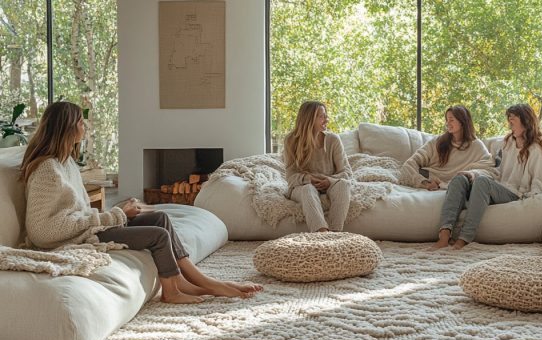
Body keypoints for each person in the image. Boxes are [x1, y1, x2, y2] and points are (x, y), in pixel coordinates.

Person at [21, 101, 262, 304]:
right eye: (81, 123)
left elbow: (78, 212)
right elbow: (42, 232)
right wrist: (113, 216)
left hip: (88, 229)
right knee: (157, 235)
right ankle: (173, 290)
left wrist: (120, 212)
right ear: (66, 128)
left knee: (160, 217)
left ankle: (195, 281)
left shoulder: (67, 163)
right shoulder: (47, 170)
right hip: (76, 239)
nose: (85, 127)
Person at [433, 104, 542, 250]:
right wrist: (472, 174)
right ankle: (445, 234)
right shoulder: (507, 143)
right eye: (508, 118)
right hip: (499, 186)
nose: (509, 121)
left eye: (513, 118)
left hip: (515, 193)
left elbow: (540, 182)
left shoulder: (536, 150)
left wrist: (529, 199)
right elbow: (495, 169)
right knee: (460, 179)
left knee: (482, 182)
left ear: (525, 121)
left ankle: (464, 237)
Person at [283, 101, 352, 232]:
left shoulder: (333, 140)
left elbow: (346, 172)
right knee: (308, 189)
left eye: (326, 116)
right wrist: (308, 179)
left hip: (329, 184)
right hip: (302, 187)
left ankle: (336, 233)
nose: (327, 119)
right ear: (309, 119)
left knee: (344, 185)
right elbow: (290, 177)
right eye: (322, 116)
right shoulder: (291, 141)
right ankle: (321, 233)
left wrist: (329, 181)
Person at [400, 105, 495, 191]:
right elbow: (411, 162)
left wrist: (471, 174)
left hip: (457, 183)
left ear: (462, 122)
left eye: (451, 120)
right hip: (429, 177)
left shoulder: (476, 145)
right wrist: (425, 183)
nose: (447, 123)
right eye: (447, 120)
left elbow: (489, 170)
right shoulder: (437, 142)